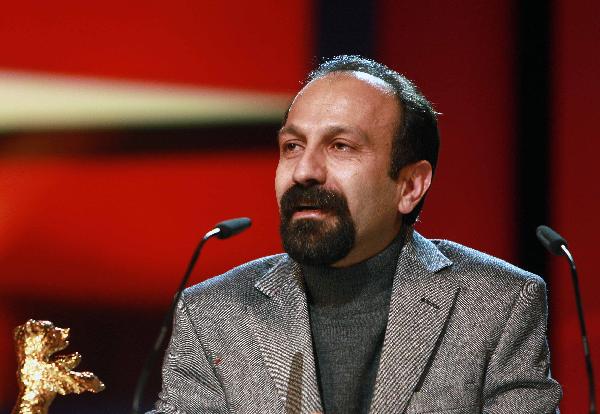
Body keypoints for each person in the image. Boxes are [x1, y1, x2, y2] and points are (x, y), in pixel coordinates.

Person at [149, 55, 561, 414]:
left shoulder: (498, 304)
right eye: (292, 146)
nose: (304, 170)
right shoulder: (210, 313)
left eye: (341, 146)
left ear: (410, 186)